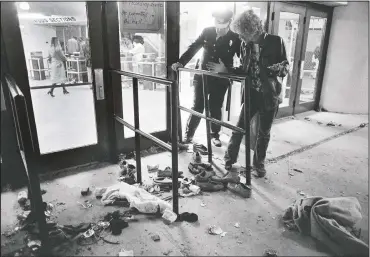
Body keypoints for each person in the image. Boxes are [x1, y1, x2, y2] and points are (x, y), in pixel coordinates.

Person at [207, 10, 289, 181]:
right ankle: (229, 161)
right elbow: (244, 71)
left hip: (269, 94)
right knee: (238, 129)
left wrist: (277, 69)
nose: (241, 39)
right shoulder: (246, 45)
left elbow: (285, 67)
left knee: (263, 133)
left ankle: (259, 166)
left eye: (243, 35)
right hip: (251, 94)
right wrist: (226, 70)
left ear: (252, 30)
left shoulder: (275, 41)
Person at [172, 9, 241, 147]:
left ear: (229, 23)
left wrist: (226, 70)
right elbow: (194, 47)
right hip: (202, 76)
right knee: (197, 106)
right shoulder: (207, 31)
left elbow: (243, 61)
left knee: (215, 107)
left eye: (223, 25)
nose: (219, 28)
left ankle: (215, 135)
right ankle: (189, 135)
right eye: (217, 24)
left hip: (220, 79)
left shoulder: (236, 38)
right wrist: (181, 62)